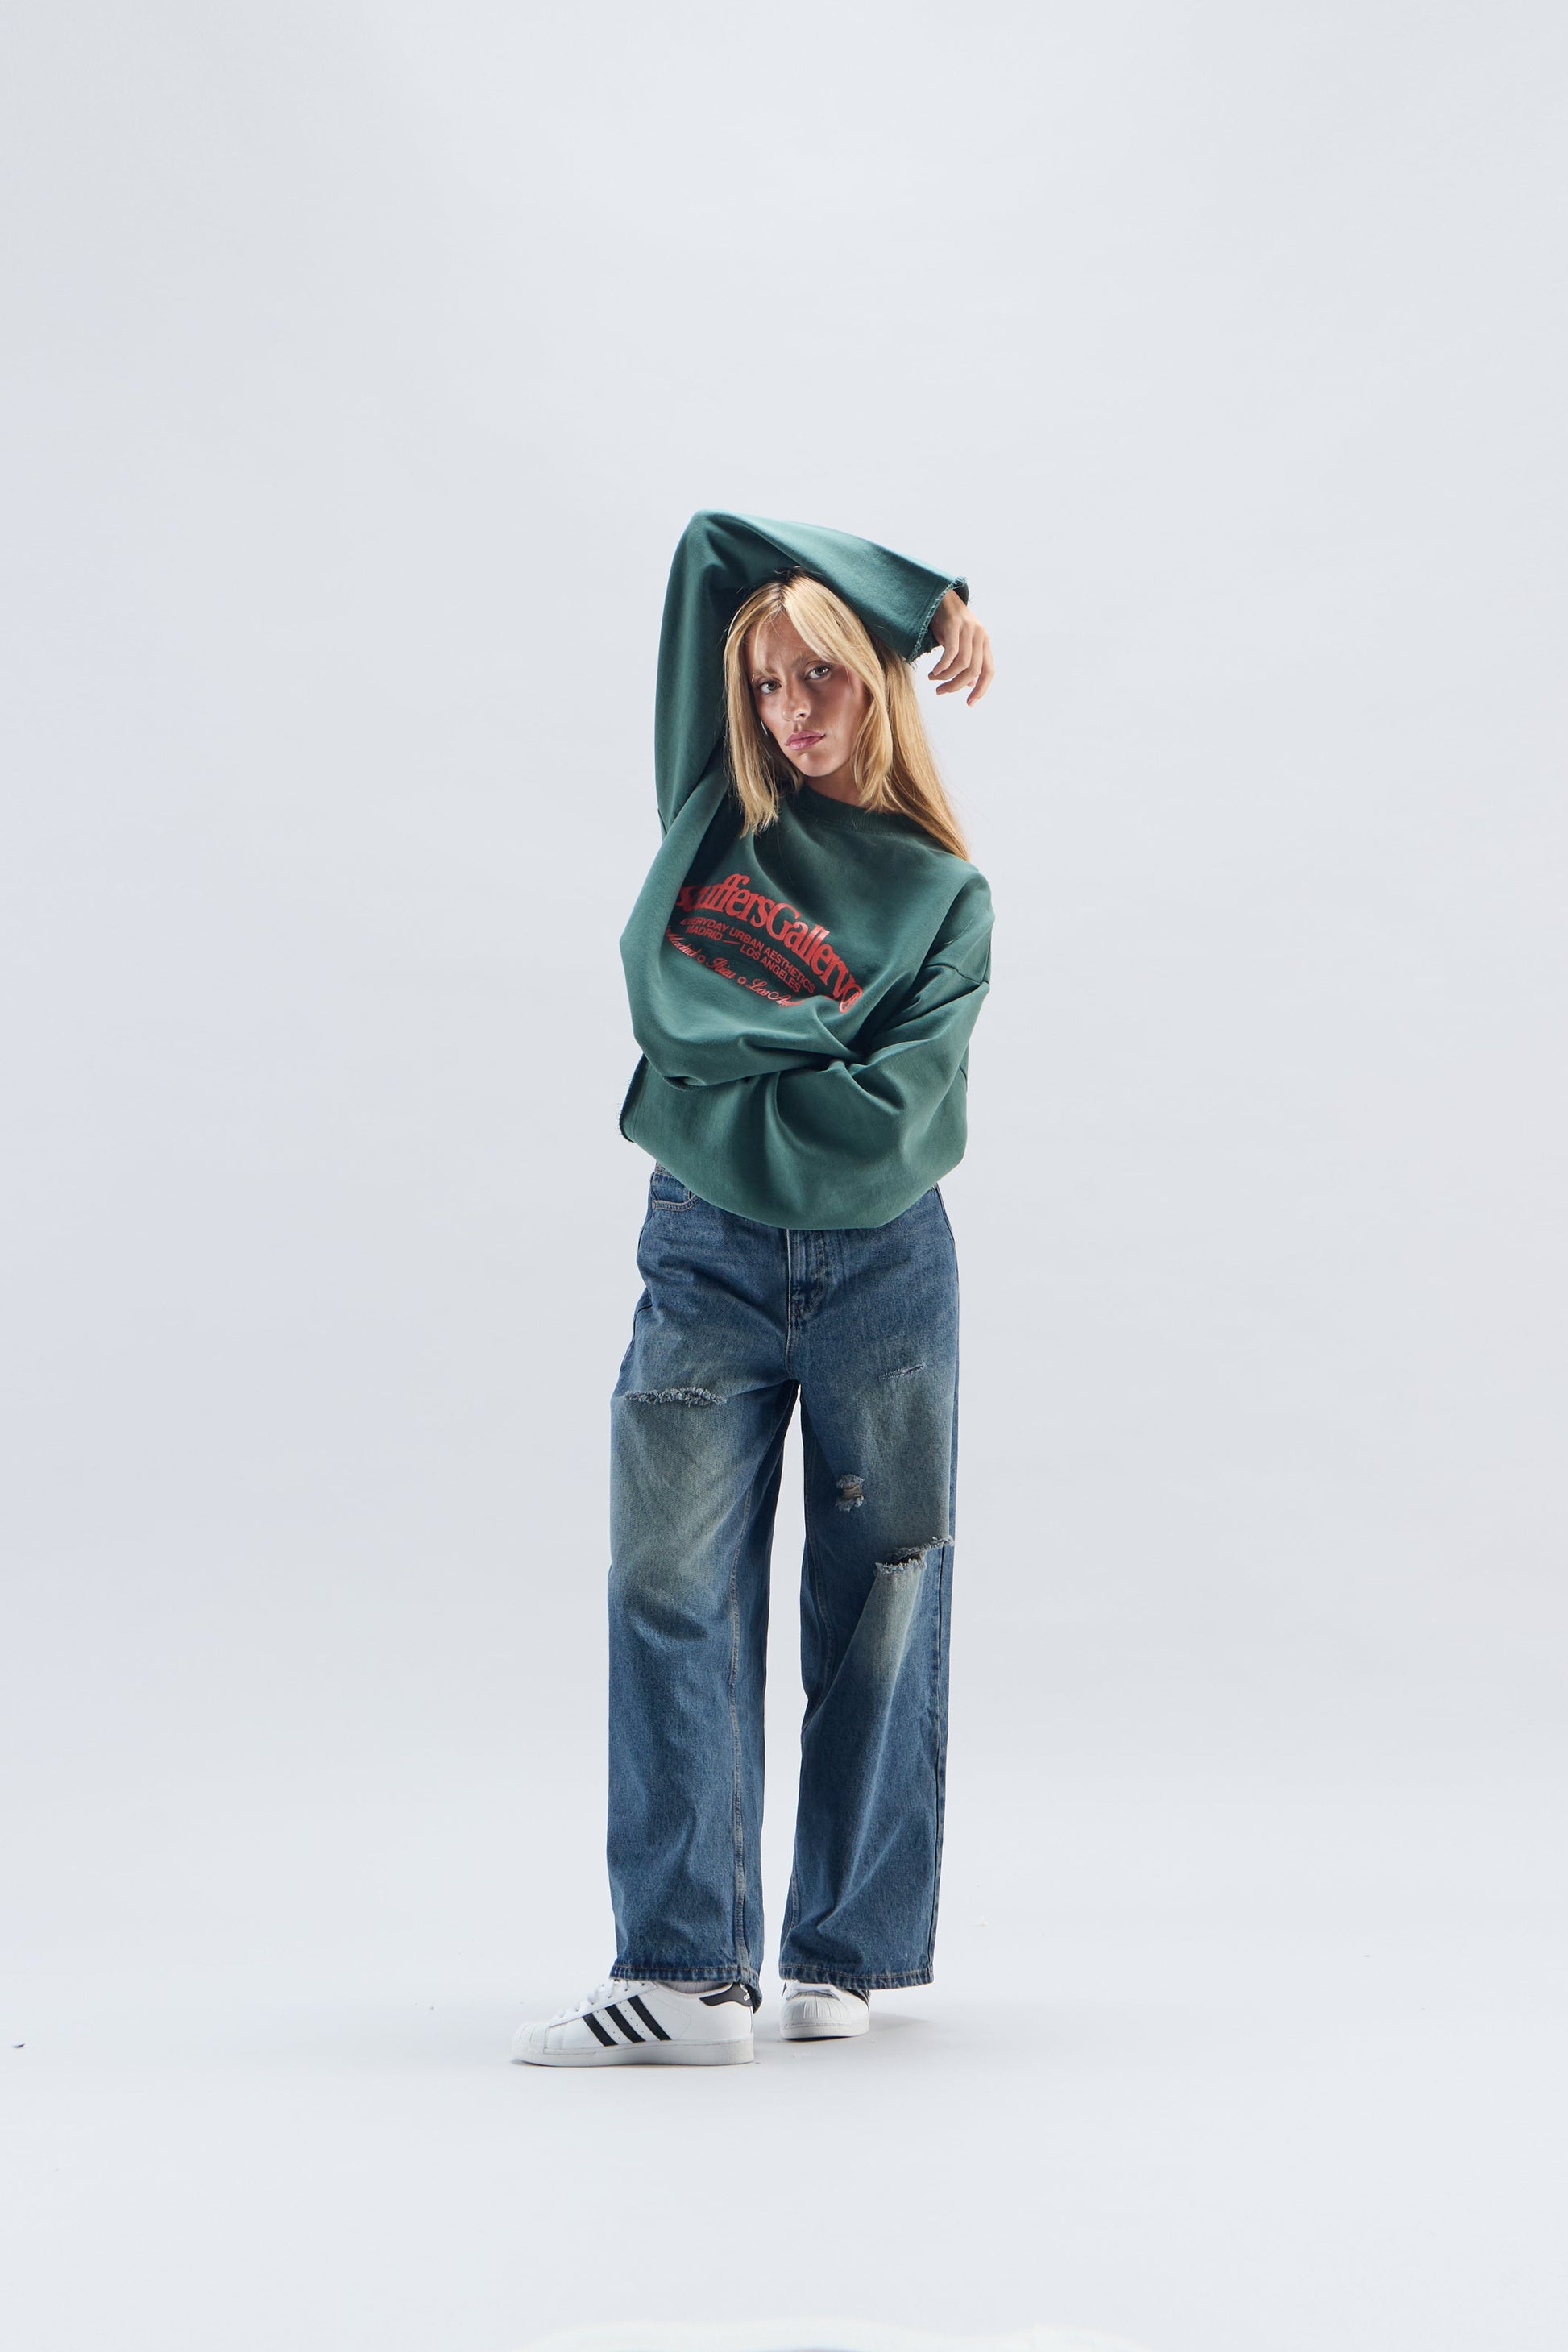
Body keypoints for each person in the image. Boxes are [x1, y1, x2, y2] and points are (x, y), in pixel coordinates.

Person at [512, 511, 994, 2066]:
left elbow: (891, 1119)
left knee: (881, 1598)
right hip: (704, 1253)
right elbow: (713, 541)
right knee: (667, 1586)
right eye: (769, 682)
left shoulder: (943, 896)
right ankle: (681, 1973)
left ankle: (839, 1954)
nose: (790, 711)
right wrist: (924, 591)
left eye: (823, 677)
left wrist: (714, 1050)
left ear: (878, 685)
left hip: (881, 1266)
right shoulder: (713, 810)